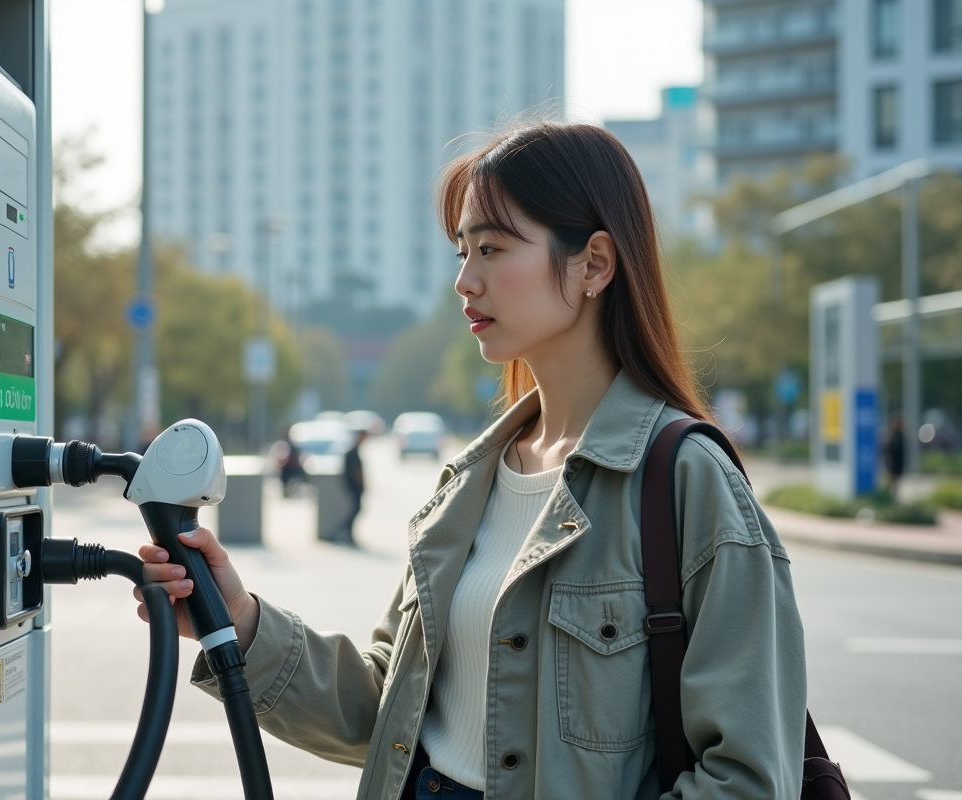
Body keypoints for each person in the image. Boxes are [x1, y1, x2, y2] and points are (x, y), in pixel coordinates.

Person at [134, 122, 807, 798]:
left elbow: (747, 778)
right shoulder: (469, 483)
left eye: (491, 248)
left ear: (594, 264)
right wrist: (239, 620)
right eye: (461, 251)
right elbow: (386, 708)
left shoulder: (689, 482)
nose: (463, 281)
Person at [336, 428, 367, 545]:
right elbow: (356, 472)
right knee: (356, 508)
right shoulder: (352, 452)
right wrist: (362, 483)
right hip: (353, 485)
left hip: (352, 485)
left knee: (356, 509)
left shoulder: (354, 451)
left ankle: (347, 532)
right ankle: (344, 530)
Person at [884, 414, 906, 502]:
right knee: (893, 484)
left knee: (894, 484)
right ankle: (891, 499)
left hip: (895, 464)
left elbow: (894, 450)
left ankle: (892, 499)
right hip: (893, 463)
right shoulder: (894, 435)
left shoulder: (898, 436)